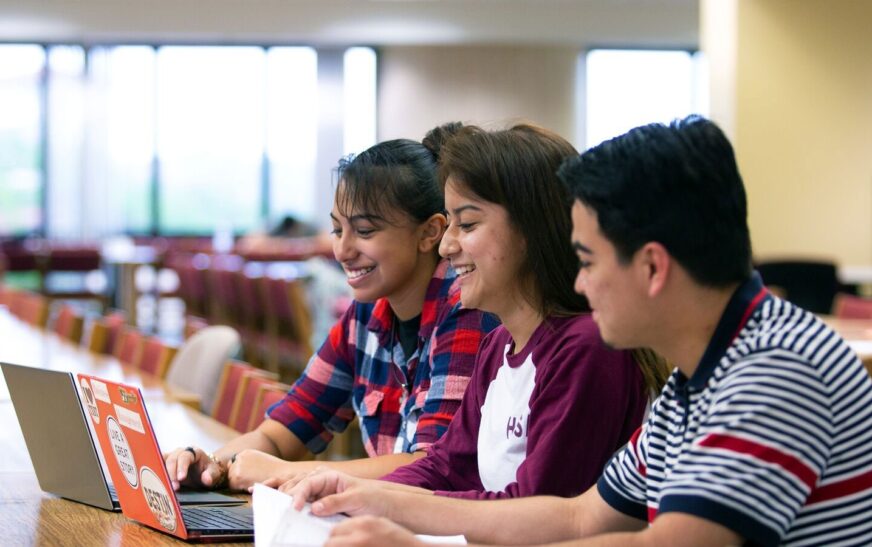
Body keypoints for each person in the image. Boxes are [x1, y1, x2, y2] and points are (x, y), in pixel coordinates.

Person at [283, 116, 872, 546]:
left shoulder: (775, 369)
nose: (581, 286)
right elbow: (578, 517)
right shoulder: (696, 381)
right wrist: (378, 498)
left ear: (652, 266)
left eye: (588, 261)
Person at [274, 124, 664, 501]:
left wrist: (386, 512)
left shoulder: (583, 348)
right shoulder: (499, 346)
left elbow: (532, 515)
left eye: (467, 224)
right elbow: (444, 467)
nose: (446, 247)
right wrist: (346, 491)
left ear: (532, 230)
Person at [165, 126, 499, 492]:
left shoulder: (466, 309)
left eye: (365, 231)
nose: (342, 250)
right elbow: (282, 433)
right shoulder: (365, 315)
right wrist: (211, 466)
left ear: (429, 232)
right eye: (338, 230)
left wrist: (291, 474)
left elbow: (429, 469)